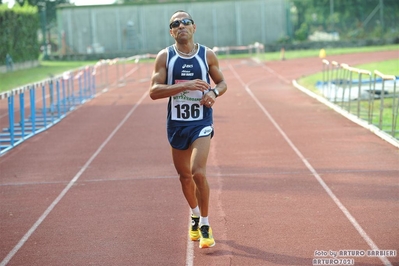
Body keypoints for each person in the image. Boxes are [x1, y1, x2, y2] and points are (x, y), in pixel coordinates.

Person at [149, 10, 227, 248]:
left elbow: (222, 83)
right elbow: (154, 91)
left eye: (186, 22)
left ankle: (205, 223)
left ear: (194, 27)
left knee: (197, 172)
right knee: (184, 177)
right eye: (175, 23)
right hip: (177, 124)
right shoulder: (165, 57)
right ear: (171, 31)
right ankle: (194, 214)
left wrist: (213, 92)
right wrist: (184, 86)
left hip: (201, 122)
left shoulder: (207, 55)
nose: (181, 25)